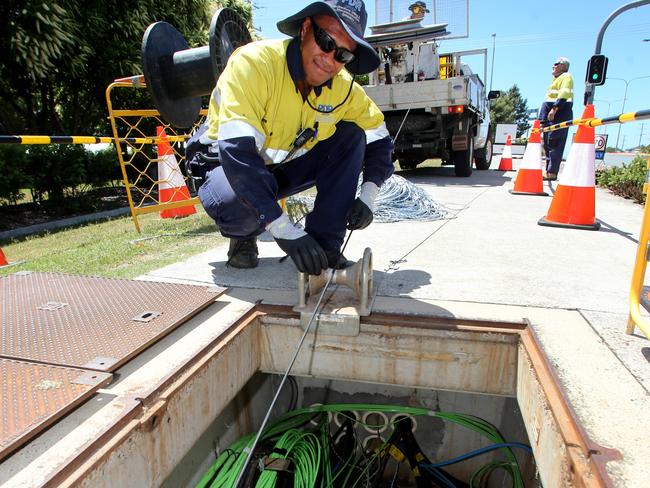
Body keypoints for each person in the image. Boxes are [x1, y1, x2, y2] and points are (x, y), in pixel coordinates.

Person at [186, 0, 394, 276]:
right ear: (305, 28)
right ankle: (243, 235)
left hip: (277, 169)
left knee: (351, 136)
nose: (330, 59)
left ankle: (325, 247)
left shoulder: (344, 90)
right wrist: (283, 230)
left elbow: (378, 137)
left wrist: (368, 195)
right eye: (325, 41)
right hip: (223, 166)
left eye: (343, 55)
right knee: (240, 207)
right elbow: (238, 154)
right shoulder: (254, 64)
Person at [539, 56, 573, 181]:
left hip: (559, 116)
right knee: (548, 144)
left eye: (556, 64)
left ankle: (552, 172)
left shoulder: (566, 77)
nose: (553, 66)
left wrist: (555, 109)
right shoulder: (555, 79)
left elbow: (564, 94)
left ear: (563, 66)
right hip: (550, 118)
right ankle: (549, 171)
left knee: (555, 144)